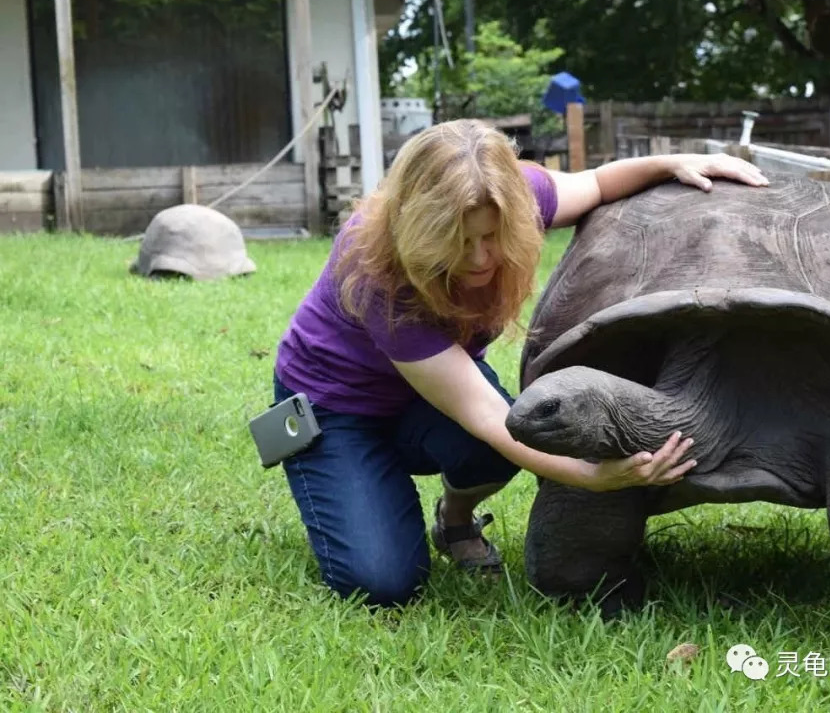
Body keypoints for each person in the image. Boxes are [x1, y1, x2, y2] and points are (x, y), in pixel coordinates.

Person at [271, 119, 769, 606]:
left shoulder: (509, 198)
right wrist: (592, 478)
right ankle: (351, 476)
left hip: (430, 391)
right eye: (460, 242)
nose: (482, 257)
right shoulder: (379, 273)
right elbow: (487, 416)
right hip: (335, 406)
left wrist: (673, 163)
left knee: (510, 437)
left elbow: (595, 182)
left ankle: (455, 519)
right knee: (383, 583)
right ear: (421, 228)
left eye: (491, 236)